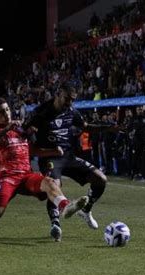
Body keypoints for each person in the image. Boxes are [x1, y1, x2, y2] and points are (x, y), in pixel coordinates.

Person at [0, 97, 89, 241]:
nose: (6, 114)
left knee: (50, 183)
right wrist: (6, 129)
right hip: (7, 178)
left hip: (26, 176)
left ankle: (65, 206)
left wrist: (49, 149)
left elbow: (31, 150)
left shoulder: (19, 128)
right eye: (1, 112)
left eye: (7, 109)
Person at [24, 83, 115, 241]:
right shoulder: (40, 113)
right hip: (49, 157)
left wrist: (107, 128)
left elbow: (86, 127)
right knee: (55, 185)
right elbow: (26, 134)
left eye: (72, 100)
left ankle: (86, 210)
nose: (69, 103)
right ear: (58, 93)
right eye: (67, 99)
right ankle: (55, 224)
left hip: (68, 157)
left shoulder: (71, 111)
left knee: (101, 179)